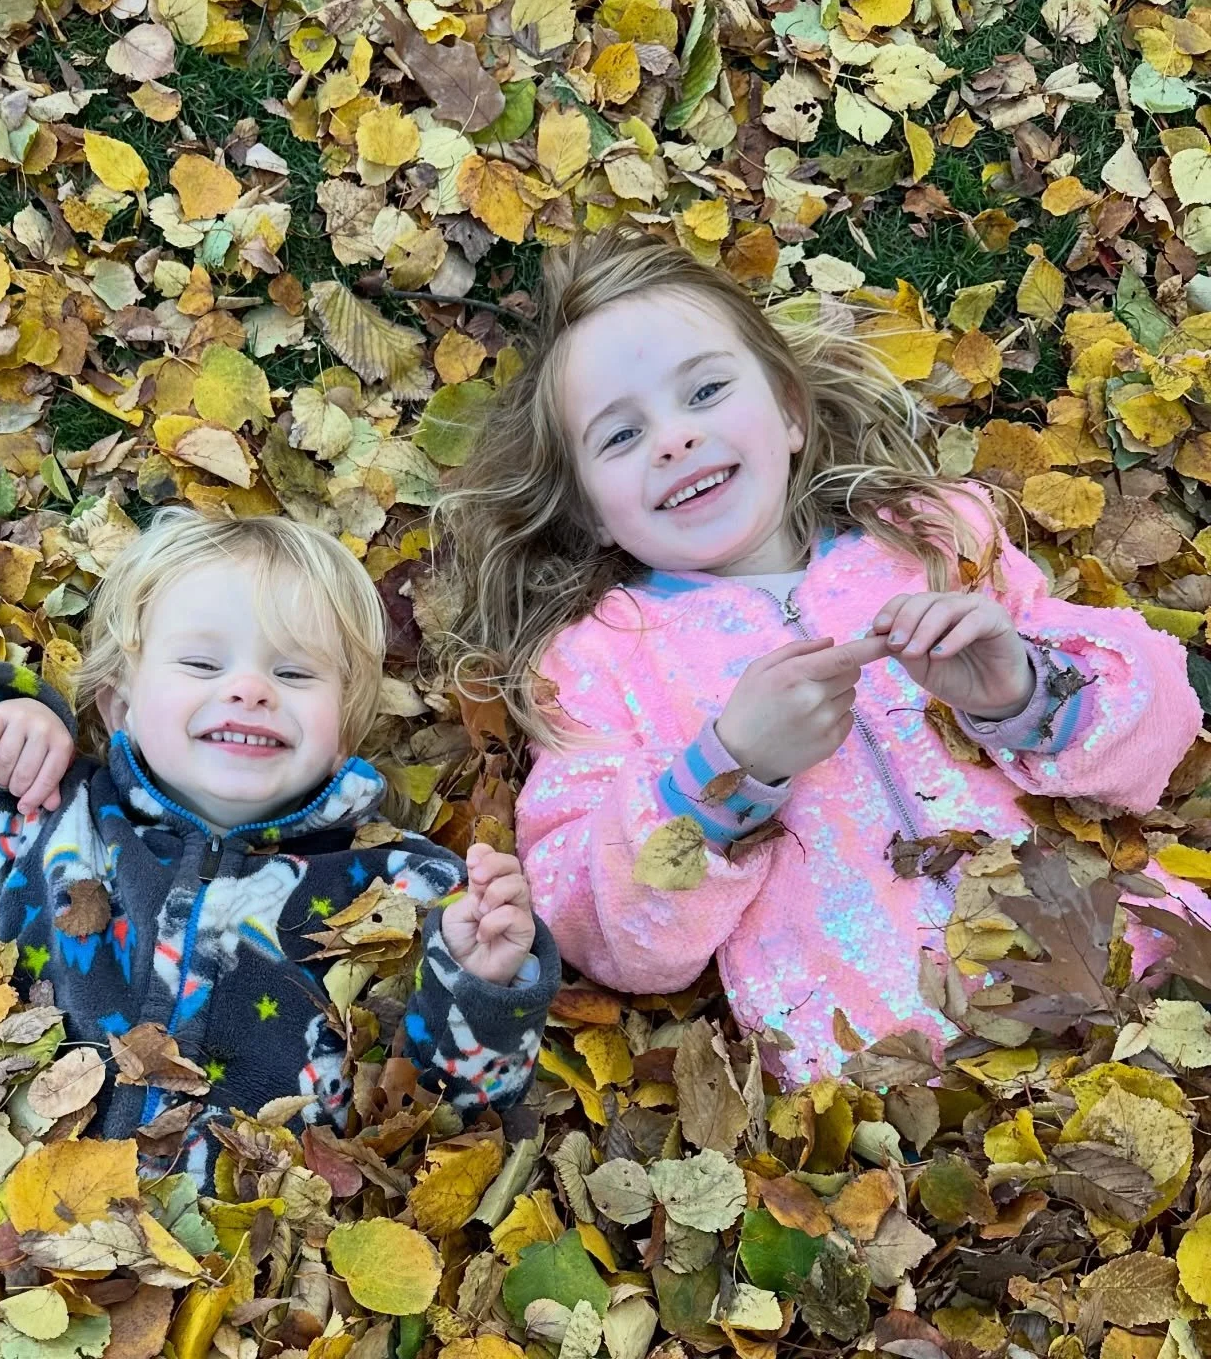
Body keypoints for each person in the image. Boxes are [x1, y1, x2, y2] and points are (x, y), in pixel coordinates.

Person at [438, 225, 1203, 1082]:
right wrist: (726, 775)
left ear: (791, 414)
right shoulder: (598, 662)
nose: (672, 440)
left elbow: (1161, 738)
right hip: (892, 1083)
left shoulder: (933, 537)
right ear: (587, 511)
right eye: (619, 437)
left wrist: (1020, 690)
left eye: (706, 391)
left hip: (1150, 984)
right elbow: (601, 929)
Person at [0, 509, 559, 1187]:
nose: (250, 690)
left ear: (342, 725)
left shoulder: (402, 887)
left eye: (294, 674)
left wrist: (485, 989)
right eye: (200, 663)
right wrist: (3, 716)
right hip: (28, 1230)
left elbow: (446, 1114)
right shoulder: (58, 823)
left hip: (265, 1269)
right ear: (118, 706)